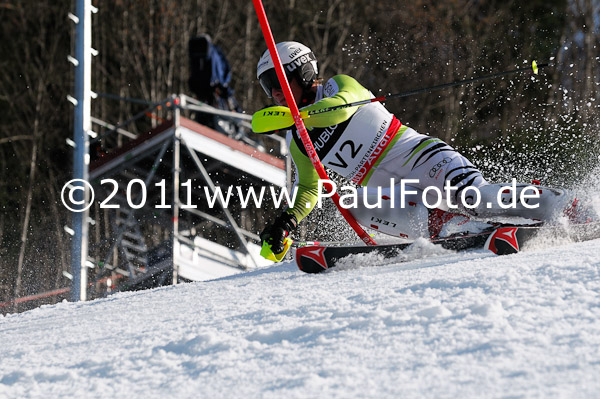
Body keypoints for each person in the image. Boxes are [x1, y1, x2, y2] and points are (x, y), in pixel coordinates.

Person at [253, 41, 579, 258]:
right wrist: (286, 222)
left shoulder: (339, 85)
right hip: (394, 194)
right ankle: (457, 228)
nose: (276, 93)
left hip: (423, 159)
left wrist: (299, 118)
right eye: (269, 87)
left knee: (477, 198)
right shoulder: (298, 141)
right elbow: (310, 188)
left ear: (304, 72)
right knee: (350, 205)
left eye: (280, 82)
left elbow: (340, 109)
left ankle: (563, 204)